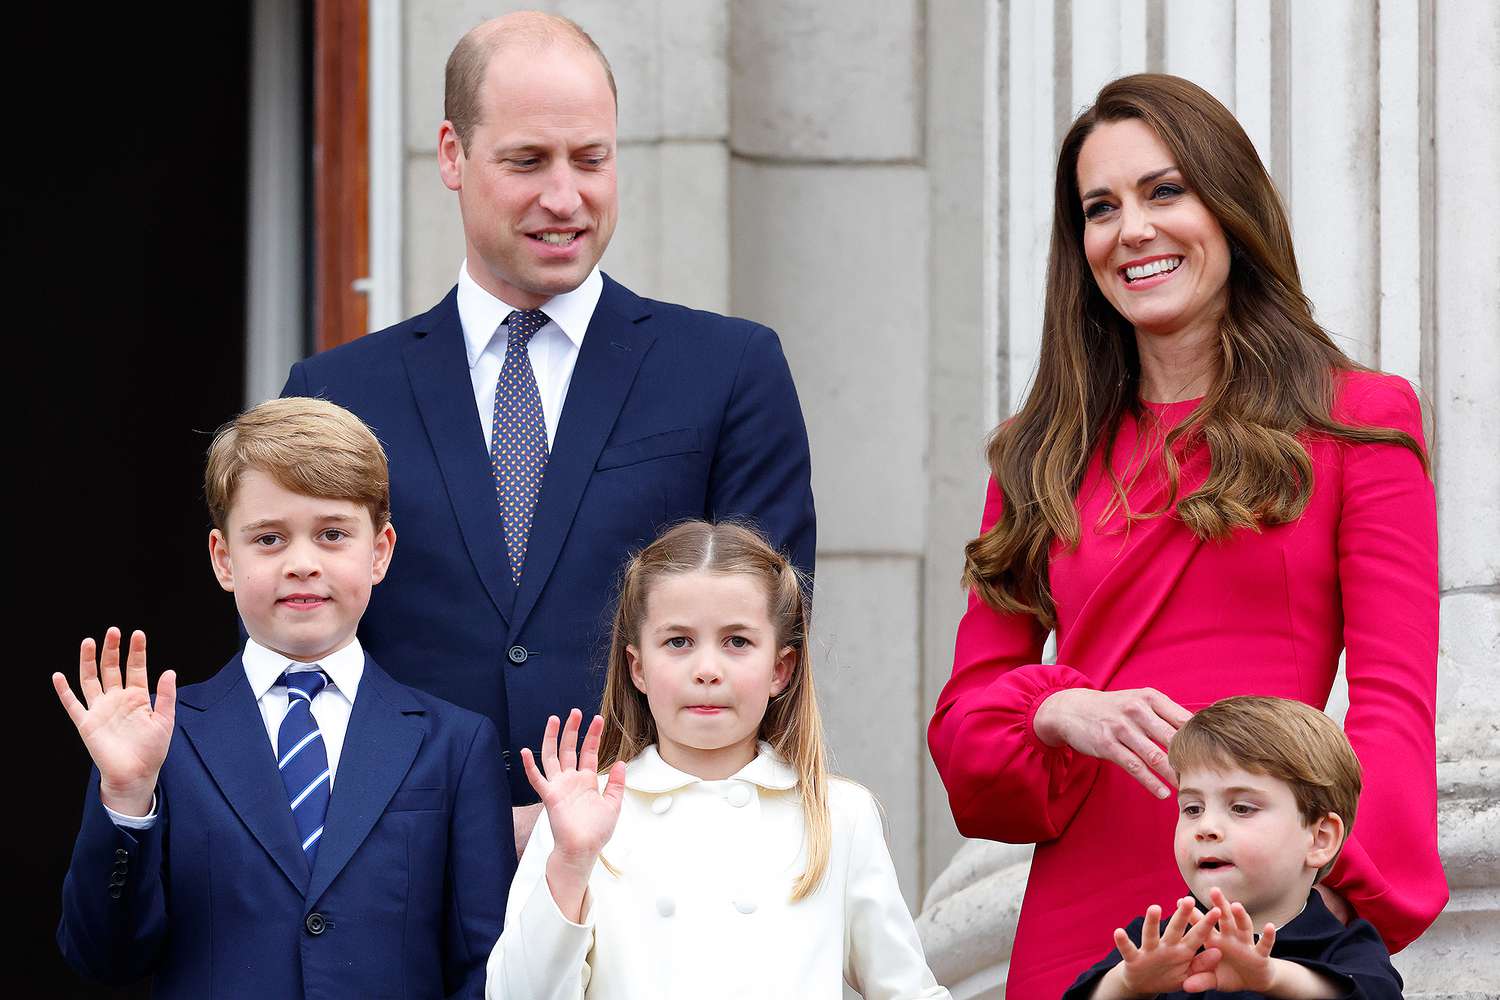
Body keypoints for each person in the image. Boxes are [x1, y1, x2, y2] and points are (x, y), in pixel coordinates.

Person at [926, 73, 1445, 997]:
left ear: (1229, 206)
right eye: (1100, 207)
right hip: (1083, 935)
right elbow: (968, 733)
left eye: (1165, 191)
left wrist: (1327, 910)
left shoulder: (1358, 420)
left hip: (1266, 924)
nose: (1132, 230)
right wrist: (1059, 709)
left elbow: (1393, 706)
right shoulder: (1036, 454)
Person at [281, 11, 816, 850]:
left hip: (658, 879)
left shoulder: (729, 370)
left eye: (592, 159)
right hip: (406, 886)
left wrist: (600, 818)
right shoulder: (337, 393)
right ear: (452, 155)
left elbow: (768, 644)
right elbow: (296, 662)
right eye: (527, 161)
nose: (565, 197)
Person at [52, 398, 512, 998]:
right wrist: (126, 798)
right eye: (269, 539)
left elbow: (486, 964)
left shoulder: (454, 743)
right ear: (224, 559)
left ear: (380, 551)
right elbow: (102, 957)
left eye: (333, 535)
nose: (301, 564)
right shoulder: (162, 738)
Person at [485, 521, 947, 999]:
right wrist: (571, 861)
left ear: (780, 669)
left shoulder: (837, 814)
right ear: (637, 668)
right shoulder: (582, 816)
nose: (707, 670)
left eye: (737, 642)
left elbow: (907, 990)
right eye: (678, 642)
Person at [1065, 696, 1402, 999]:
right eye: (1192, 809)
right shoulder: (1159, 944)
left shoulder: (1346, 947)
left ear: (1319, 839)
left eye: (1242, 808)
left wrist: (1272, 977)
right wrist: (1128, 984)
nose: (1206, 828)